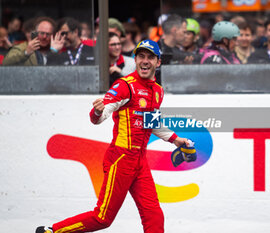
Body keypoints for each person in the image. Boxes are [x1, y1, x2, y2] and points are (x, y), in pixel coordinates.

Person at [35, 39, 191, 233]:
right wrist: (98, 112)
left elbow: (152, 122)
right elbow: (99, 116)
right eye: (141, 56)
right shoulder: (125, 85)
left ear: (158, 62)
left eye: (150, 57)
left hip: (140, 161)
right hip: (121, 159)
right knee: (103, 218)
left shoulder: (158, 91)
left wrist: (176, 140)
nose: (145, 61)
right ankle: (52, 231)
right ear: (135, 59)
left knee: (154, 216)